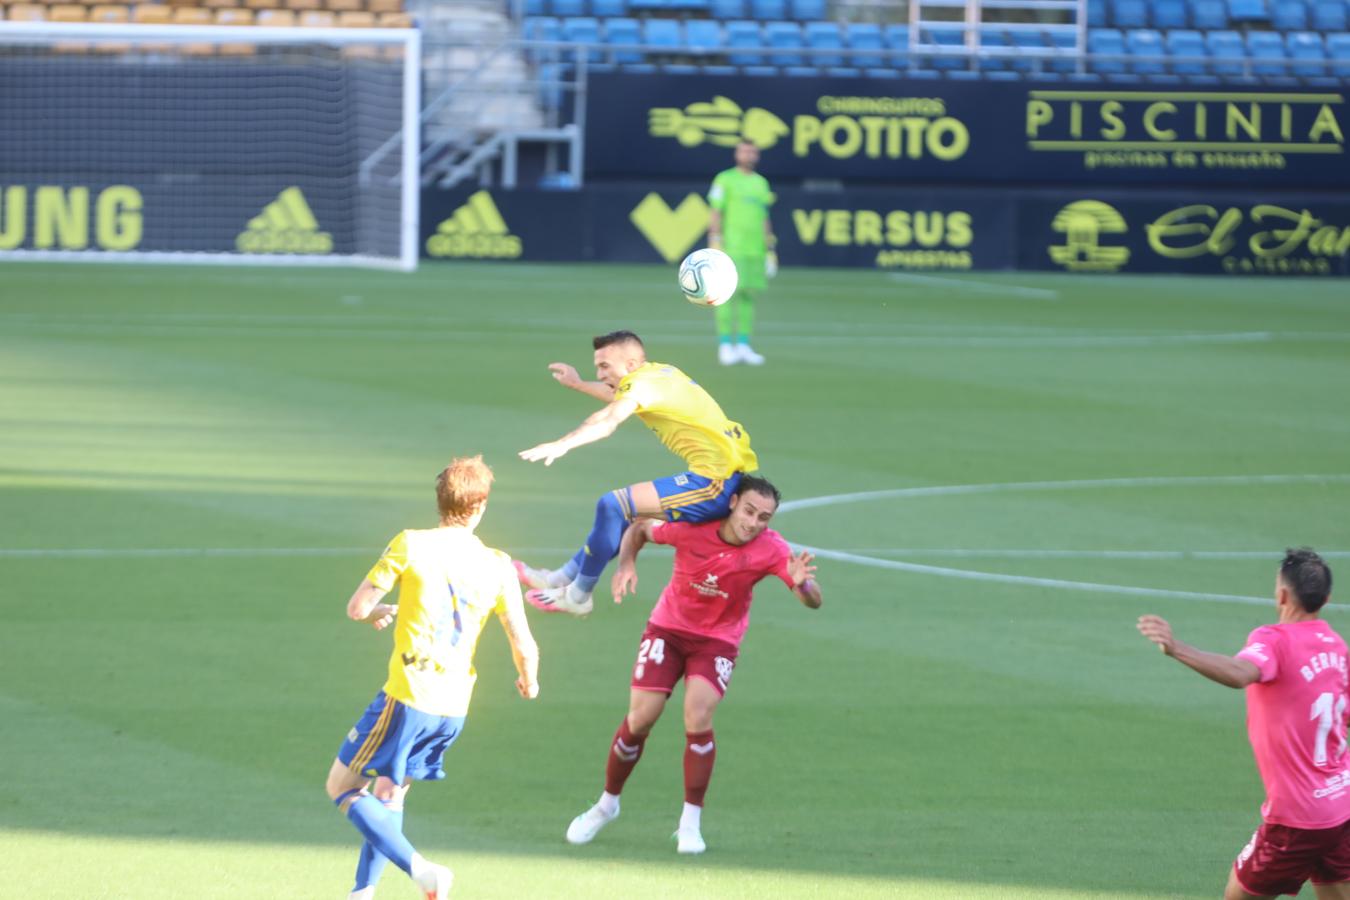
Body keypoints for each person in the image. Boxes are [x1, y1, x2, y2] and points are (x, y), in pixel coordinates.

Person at [563, 475, 822, 854]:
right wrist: (626, 565)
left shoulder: (771, 549)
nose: (753, 523)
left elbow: (814, 601)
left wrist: (802, 585)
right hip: (667, 629)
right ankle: (606, 805)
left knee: (697, 715)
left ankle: (689, 823)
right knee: (640, 718)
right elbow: (639, 527)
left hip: (717, 640)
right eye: (749, 511)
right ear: (732, 503)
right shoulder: (689, 527)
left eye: (763, 517)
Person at [324, 455, 540, 900]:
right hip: (454, 706)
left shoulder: (411, 543)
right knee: (390, 792)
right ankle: (362, 894)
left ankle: (420, 869)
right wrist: (529, 680)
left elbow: (357, 607)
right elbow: (523, 641)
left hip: (408, 696)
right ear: (480, 508)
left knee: (342, 787)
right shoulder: (498, 564)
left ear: (440, 502)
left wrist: (377, 613)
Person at [1137, 548, 1350, 900]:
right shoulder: (1337, 647)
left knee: (1238, 895)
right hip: (1341, 805)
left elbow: (1240, 673)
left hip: (1296, 818)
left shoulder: (1274, 639)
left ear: (1281, 594)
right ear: (1326, 598)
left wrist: (1177, 649)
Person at [516, 330, 759, 617]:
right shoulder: (657, 374)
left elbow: (608, 419)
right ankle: (559, 579)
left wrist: (563, 443)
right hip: (717, 475)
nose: (599, 372)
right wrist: (578, 384)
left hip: (715, 483)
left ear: (630, 364)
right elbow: (618, 396)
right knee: (623, 512)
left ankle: (579, 596)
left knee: (613, 504)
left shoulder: (643, 385)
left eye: (605, 366)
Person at [707, 138, 777, 367]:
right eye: (744, 151)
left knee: (749, 295)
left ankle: (744, 345)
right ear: (737, 154)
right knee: (725, 295)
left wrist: (770, 248)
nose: (748, 155)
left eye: (752, 152)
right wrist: (715, 241)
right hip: (732, 247)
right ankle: (725, 345)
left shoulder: (761, 183)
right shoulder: (725, 179)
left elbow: (765, 216)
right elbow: (716, 212)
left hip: (755, 250)